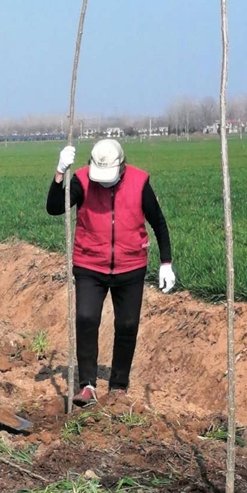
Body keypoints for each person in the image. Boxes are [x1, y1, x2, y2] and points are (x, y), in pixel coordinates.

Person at [46, 139, 175, 405]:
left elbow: (158, 222)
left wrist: (166, 262)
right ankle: (88, 385)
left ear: (122, 167)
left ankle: (118, 387)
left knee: (127, 325)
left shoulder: (139, 183)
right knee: (86, 318)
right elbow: (54, 208)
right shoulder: (83, 181)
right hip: (89, 263)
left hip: (131, 265)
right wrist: (59, 173)